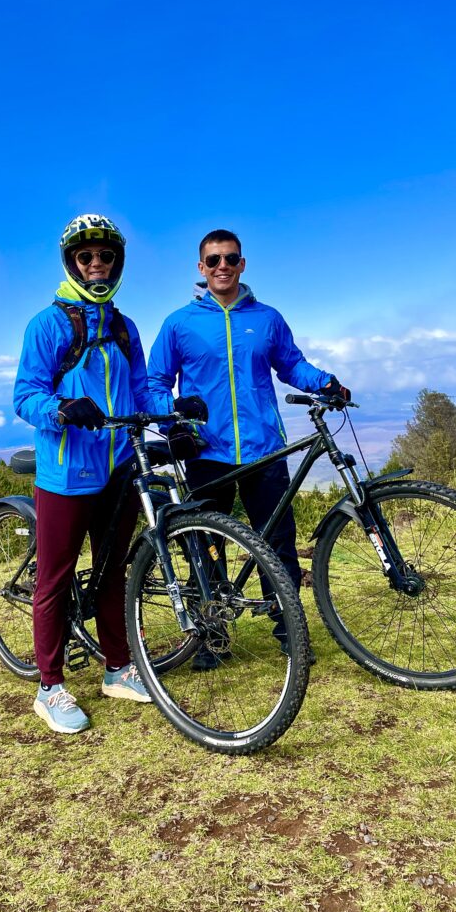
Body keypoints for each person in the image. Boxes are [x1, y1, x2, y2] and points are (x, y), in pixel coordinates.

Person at [147, 228, 351, 667]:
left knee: (277, 544)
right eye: (214, 260)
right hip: (205, 451)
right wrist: (173, 420)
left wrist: (326, 383)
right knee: (206, 546)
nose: (223, 266)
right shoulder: (179, 323)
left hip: (263, 449)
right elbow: (154, 386)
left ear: (243, 264)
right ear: (201, 268)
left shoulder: (268, 318)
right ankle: (213, 635)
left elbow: (291, 364)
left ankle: (288, 631)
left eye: (231, 259)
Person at [13, 214, 163, 734]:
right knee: (53, 581)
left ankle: (117, 669)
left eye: (105, 257)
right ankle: (49, 687)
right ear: (72, 263)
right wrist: (60, 409)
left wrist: (175, 410)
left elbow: (143, 391)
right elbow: (25, 395)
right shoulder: (48, 324)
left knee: (112, 573)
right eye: (86, 257)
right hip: (65, 473)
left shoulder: (125, 327)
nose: (96, 264)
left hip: (118, 468)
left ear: (116, 263)